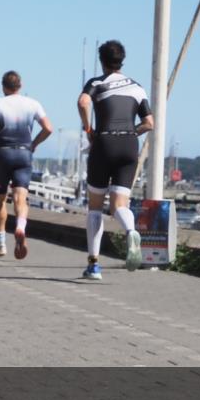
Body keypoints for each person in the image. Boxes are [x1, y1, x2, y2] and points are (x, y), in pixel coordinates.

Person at [77, 40, 154, 280]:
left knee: (95, 208)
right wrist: (132, 132)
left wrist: (88, 129)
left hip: (104, 142)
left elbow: (82, 102)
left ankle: (93, 265)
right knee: (120, 205)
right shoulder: (137, 87)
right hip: (130, 145)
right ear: (122, 61)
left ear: (102, 61)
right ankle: (131, 231)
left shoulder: (97, 83)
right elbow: (150, 123)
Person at [0, 71, 53, 260]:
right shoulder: (32, 103)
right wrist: (34, 144)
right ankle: (20, 226)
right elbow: (48, 128)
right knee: (21, 199)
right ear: (20, 86)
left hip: (3, 154)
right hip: (24, 154)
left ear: (3, 87)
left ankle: (1, 243)